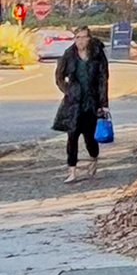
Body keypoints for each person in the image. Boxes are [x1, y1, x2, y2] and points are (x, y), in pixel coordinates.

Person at [52, 26, 110, 178]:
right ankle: (72, 170)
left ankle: (94, 159)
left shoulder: (97, 54)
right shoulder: (69, 54)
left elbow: (103, 79)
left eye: (83, 37)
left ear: (89, 39)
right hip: (74, 103)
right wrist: (68, 90)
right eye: (77, 37)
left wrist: (104, 104)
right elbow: (59, 76)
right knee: (72, 137)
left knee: (90, 137)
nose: (80, 41)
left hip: (91, 102)